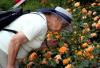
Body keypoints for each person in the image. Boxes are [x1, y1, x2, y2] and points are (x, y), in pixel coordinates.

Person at [0, 6, 73, 68]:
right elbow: (15, 40)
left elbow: (29, 42)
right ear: (57, 19)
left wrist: (47, 44)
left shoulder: (41, 20)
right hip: (3, 51)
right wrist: (10, 65)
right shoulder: (40, 23)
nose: (61, 30)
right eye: (63, 26)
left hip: (6, 53)